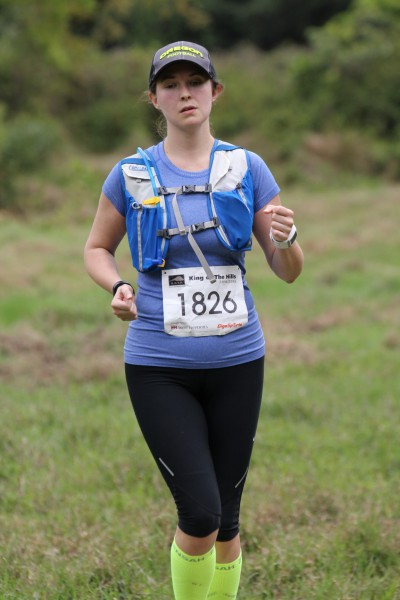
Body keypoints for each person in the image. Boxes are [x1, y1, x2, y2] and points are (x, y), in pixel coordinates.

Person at [84, 41, 303, 600]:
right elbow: (96, 248)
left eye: (196, 82)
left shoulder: (247, 167)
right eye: (171, 84)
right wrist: (118, 285)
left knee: (227, 520)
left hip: (239, 361)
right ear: (154, 98)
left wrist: (288, 239)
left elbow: (287, 270)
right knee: (201, 513)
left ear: (215, 91)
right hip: (159, 365)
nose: (185, 93)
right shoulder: (131, 173)